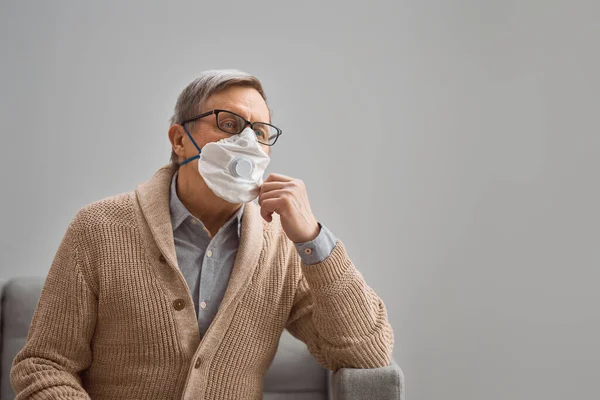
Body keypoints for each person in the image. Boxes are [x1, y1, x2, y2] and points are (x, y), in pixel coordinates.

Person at [11, 69, 394, 400]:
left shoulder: (283, 246)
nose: (246, 142)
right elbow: (44, 365)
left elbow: (367, 352)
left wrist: (314, 239)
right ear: (179, 140)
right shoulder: (99, 228)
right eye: (228, 124)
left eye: (259, 132)